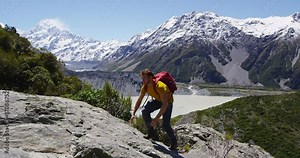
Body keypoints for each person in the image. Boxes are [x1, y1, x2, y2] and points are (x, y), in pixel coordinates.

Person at [130, 69, 177, 150]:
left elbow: (165, 105)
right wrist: (133, 113)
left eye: (145, 78)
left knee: (166, 124)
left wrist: (156, 119)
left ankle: (173, 142)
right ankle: (151, 132)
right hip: (158, 100)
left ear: (151, 77)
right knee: (145, 111)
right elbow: (140, 99)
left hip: (167, 102)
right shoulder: (145, 86)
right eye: (142, 78)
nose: (143, 80)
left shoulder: (160, 86)